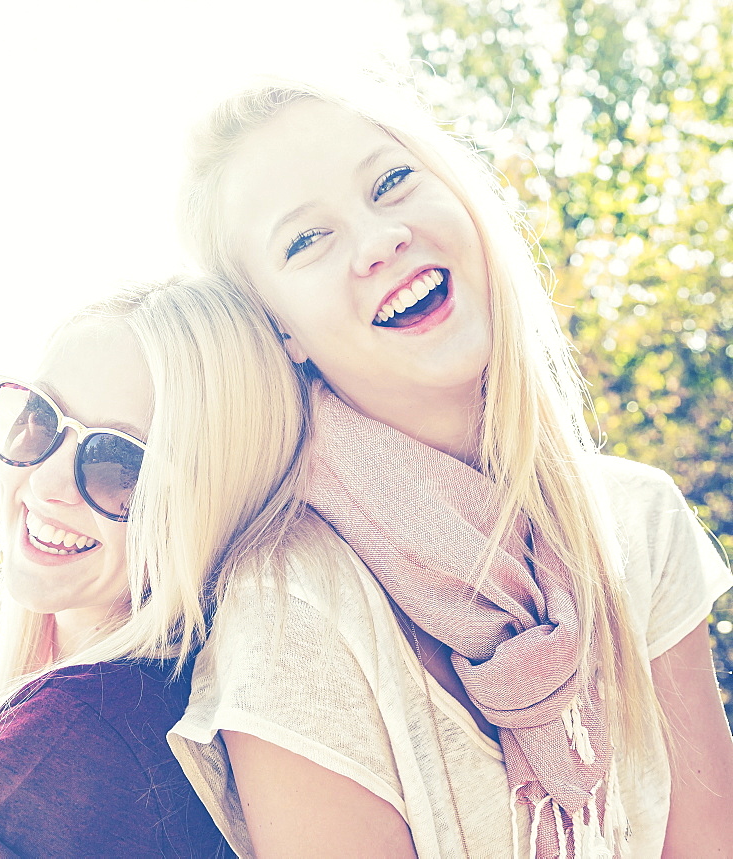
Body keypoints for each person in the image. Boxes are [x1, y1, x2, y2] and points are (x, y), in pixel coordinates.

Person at [166, 74, 733, 858]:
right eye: (306, 240)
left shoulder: (641, 520)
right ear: (280, 330)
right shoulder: (289, 602)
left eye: (391, 182)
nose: (378, 240)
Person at [0, 275, 308, 858]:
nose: (45, 481)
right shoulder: (161, 708)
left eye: (119, 462)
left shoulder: (80, 729)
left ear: (210, 505)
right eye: (40, 419)